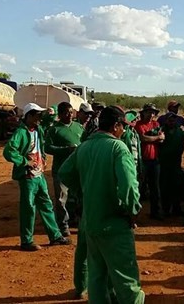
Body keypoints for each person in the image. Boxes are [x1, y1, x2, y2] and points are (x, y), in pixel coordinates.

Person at [59, 106, 145, 304]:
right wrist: (132, 212)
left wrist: (86, 190)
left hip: (91, 222)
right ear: (115, 125)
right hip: (113, 223)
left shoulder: (84, 146)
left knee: (97, 276)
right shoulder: (118, 148)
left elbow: (64, 172)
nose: (123, 130)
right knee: (126, 280)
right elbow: (129, 188)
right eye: (122, 126)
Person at [3, 103, 71, 251]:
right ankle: (26, 241)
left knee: (46, 205)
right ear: (29, 116)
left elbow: (48, 121)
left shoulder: (37, 129)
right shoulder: (21, 133)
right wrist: (24, 162)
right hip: (28, 176)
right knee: (29, 208)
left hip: (38, 175)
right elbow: (8, 152)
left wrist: (50, 112)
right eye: (37, 115)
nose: (40, 118)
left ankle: (55, 236)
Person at [44, 102, 85, 234]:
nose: (69, 115)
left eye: (71, 112)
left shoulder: (79, 127)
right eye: (66, 113)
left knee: (77, 196)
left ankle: (76, 219)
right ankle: (63, 225)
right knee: (62, 198)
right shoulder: (54, 130)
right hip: (60, 169)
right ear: (60, 114)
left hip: (77, 169)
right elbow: (47, 148)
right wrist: (66, 150)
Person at [134, 103, 165, 220]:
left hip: (155, 160)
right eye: (148, 112)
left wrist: (152, 138)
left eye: (153, 112)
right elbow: (143, 138)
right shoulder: (139, 125)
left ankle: (156, 212)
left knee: (155, 188)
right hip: (143, 161)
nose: (151, 114)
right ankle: (135, 213)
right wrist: (156, 138)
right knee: (139, 187)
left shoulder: (156, 124)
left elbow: (163, 138)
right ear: (144, 113)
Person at [158, 112, 184, 216]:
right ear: (166, 121)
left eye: (173, 120)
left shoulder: (179, 131)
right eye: (170, 120)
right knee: (165, 186)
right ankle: (165, 209)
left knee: (176, 186)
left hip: (176, 162)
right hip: (164, 162)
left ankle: (176, 208)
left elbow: (181, 146)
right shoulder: (161, 131)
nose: (172, 122)